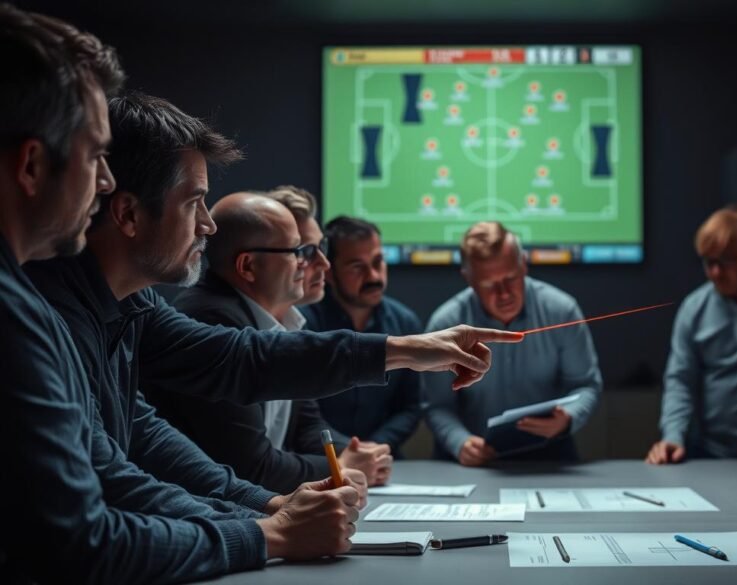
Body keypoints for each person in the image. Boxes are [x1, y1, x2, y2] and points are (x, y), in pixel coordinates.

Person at [23, 90, 519, 560]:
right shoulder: (46, 314)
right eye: (194, 202)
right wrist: (267, 530)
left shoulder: (129, 303)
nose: (207, 225)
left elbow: (155, 423)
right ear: (129, 214)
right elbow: (109, 500)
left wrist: (265, 506)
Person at [0, 6, 360, 583]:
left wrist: (262, 515)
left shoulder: (98, 304)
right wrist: (266, 531)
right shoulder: (30, 313)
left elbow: (130, 452)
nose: (105, 182)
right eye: (94, 156)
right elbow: (82, 540)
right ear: (33, 165)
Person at [152, 192, 391, 491]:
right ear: (248, 266)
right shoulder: (212, 318)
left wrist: (353, 454)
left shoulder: (283, 320)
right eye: (301, 251)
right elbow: (252, 468)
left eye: (320, 249)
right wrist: (340, 467)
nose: (322, 264)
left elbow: (307, 426)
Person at [422, 221, 602, 465]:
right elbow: (437, 405)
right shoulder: (445, 324)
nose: (504, 293)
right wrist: (460, 442)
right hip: (472, 465)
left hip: (550, 459)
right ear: (468, 278)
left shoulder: (562, 311)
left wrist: (568, 416)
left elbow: (586, 385)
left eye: (511, 278)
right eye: (489, 284)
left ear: (524, 264)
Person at [645, 204, 737, 464]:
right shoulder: (694, 309)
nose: (715, 273)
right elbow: (680, 381)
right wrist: (673, 436)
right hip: (711, 453)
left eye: (726, 260)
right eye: (709, 262)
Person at [302, 215, 422, 459]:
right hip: (320, 462)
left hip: (383, 460)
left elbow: (411, 406)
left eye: (378, 262)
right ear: (329, 273)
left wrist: (374, 448)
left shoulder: (405, 322)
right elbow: (302, 412)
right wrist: (347, 450)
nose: (374, 277)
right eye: (357, 267)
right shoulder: (304, 324)